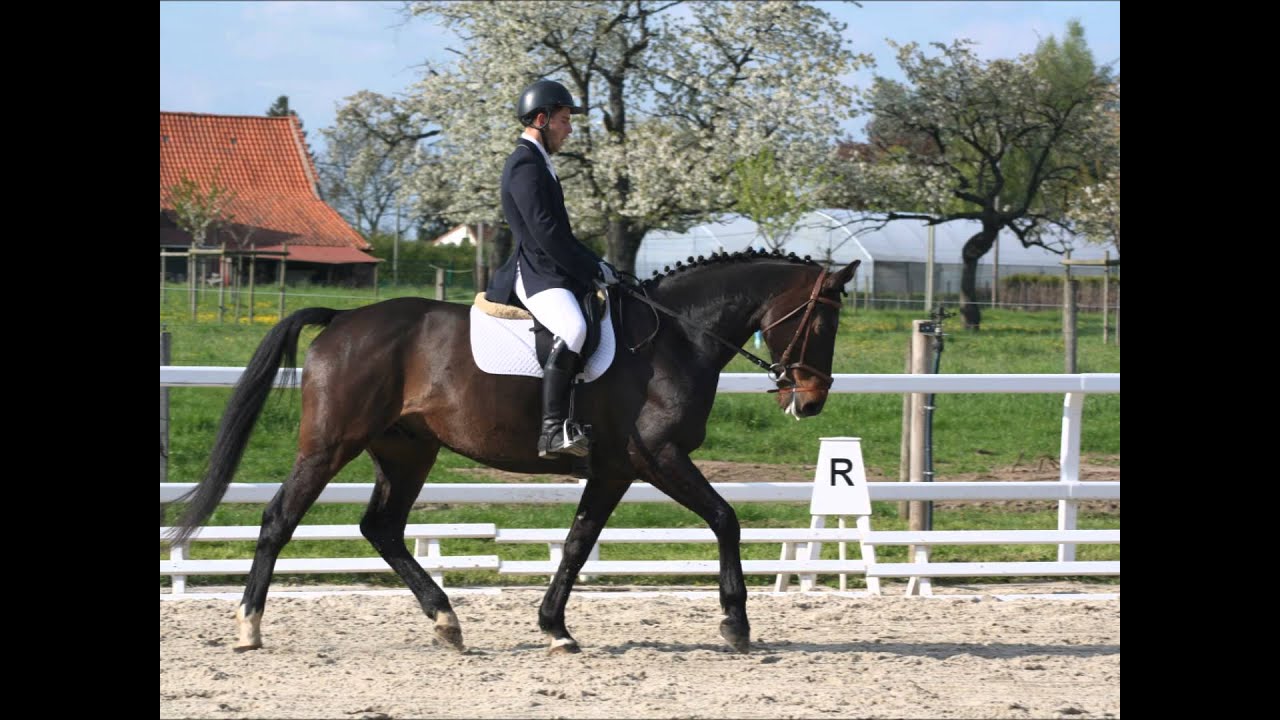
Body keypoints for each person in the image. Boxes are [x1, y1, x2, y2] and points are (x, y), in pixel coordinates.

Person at [485, 79, 621, 459]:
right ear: (542, 119)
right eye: (564, 120)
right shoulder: (525, 165)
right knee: (573, 328)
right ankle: (551, 431)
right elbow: (545, 234)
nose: (570, 129)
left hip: (553, 269)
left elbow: (561, 233)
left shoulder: (539, 163)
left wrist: (598, 264)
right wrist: (590, 268)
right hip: (537, 273)